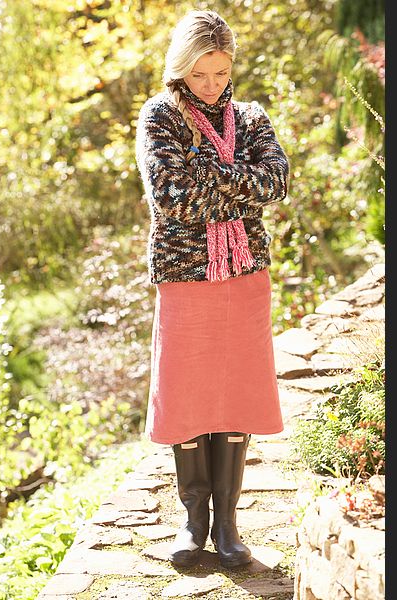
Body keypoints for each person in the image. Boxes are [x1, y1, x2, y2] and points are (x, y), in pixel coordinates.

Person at [135, 9, 290, 570]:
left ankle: (227, 521)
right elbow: (174, 196)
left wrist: (209, 174)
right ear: (181, 67)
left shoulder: (250, 117)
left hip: (246, 274)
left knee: (236, 391)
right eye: (200, 74)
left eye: (221, 73)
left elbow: (277, 179)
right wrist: (237, 180)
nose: (212, 85)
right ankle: (191, 517)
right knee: (188, 392)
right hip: (184, 275)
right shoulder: (159, 116)